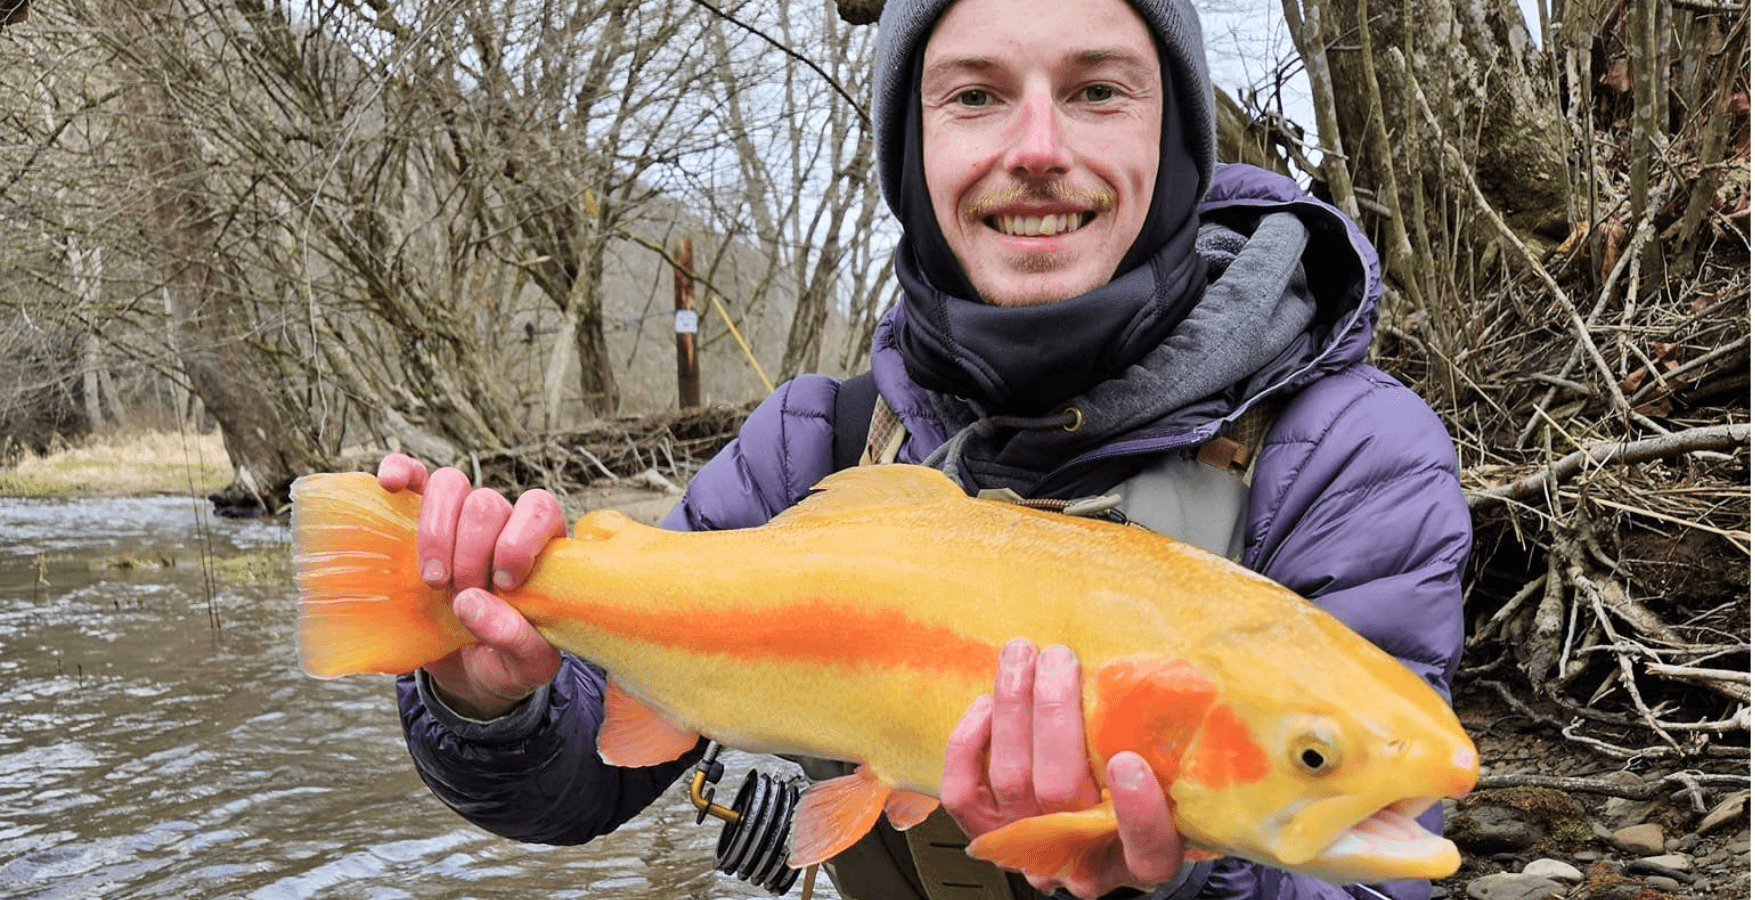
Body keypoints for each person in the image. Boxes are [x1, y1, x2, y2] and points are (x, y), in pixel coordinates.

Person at [374, 0, 1473, 898]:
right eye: (976, 96)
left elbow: (1372, 885)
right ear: (916, 154)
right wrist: (487, 699)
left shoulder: (1351, 457)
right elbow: (577, 787)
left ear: (1173, 139)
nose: (1036, 149)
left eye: (1097, 90)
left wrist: (1169, 881)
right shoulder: (813, 443)